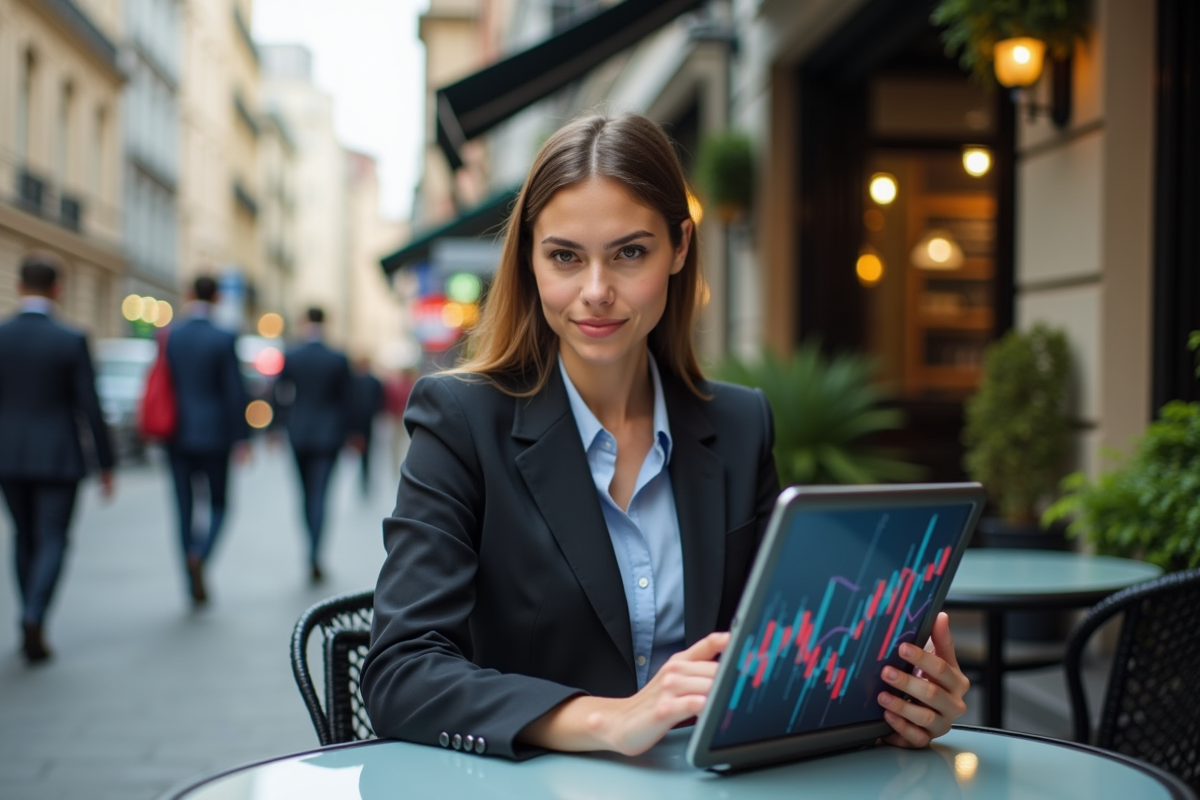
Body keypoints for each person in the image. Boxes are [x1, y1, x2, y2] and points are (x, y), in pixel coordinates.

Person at [361, 114, 969, 760]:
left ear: (679, 247)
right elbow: (402, 671)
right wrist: (608, 720)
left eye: (630, 253)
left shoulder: (739, 425)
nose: (596, 291)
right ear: (529, 259)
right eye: (565, 256)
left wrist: (892, 701)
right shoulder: (461, 420)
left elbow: (782, 651)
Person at [0, 252, 115, 662]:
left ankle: (28, 613)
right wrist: (106, 463)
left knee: (23, 535)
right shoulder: (70, 339)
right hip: (59, 456)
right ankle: (35, 614)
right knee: (53, 537)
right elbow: (90, 407)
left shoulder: (2, 335)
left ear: (19, 286)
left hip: (8, 455)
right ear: (58, 289)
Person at [164, 274, 250, 606]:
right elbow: (234, 391)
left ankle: (190, 576)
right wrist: (242, 438)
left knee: (184, 507)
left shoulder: (172, 335)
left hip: (177, 432)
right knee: (219, 504)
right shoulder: (223, 337)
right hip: (215, 434)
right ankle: (201, 554)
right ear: (216, 298)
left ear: (189, 294)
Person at [274, 307, 352, 582]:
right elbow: (348, 399)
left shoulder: (293, 354)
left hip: (299, 432)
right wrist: (351, 433)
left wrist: (278, 424)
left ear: (305, 321)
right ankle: (315, 553)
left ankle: (310, 548)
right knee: (321, 495)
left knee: (306, 495)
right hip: (329, 435)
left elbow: (279, 392)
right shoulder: (337, 357)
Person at [348, 358, 385, 495]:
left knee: (364, 453)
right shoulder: (371, 381)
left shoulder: (356, 380)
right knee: (365, 452)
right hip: (364, 420)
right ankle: (364, 480)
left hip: (361, 420)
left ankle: (364, 481)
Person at [383, 367, 416, 475]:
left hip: (399, 418)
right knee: (402, 445)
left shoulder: (398, 386)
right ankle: (402, 468)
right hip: (403, 418)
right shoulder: (412, 386)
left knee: (397, 446)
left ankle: (397, 469)